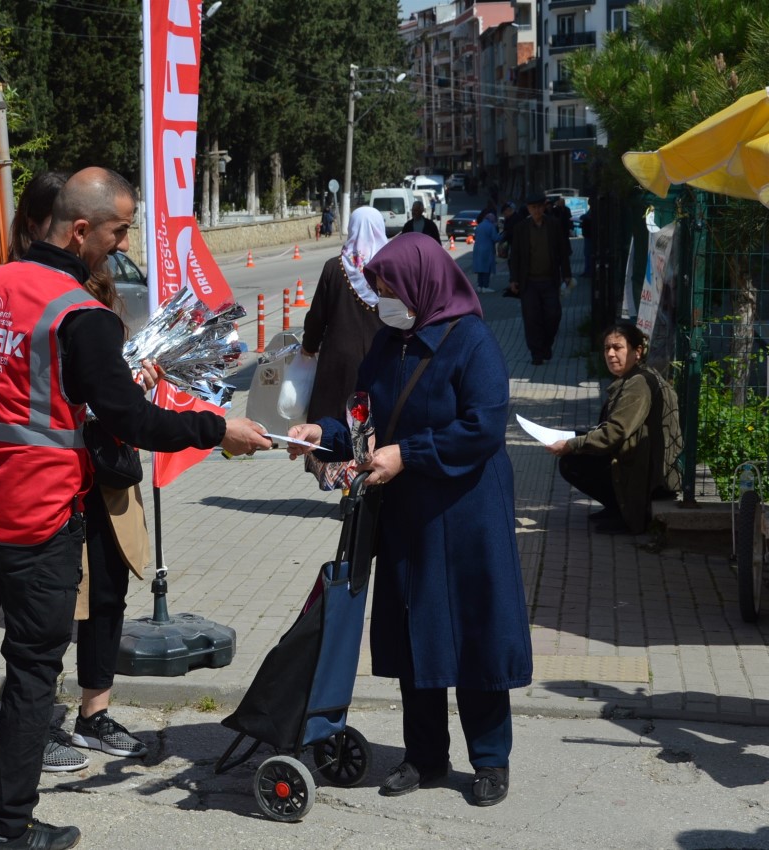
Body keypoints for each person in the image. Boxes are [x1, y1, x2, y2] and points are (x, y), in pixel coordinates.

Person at [0, 167, 271, 849]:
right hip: (36, 521)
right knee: (32, 673)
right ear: (81, 231)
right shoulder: (82, 315)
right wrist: (218, 429)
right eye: (117, 231)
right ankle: (10, 831)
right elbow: (134, 422)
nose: (120, 243)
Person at [288, 232, 532, 808]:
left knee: (475, 632)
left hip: (467, 514)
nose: (382, 301)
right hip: (407, 515)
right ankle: (424, 756)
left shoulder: (471, 340)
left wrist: (409, 454)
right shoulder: (388, 342)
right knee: (416, 630)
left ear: (422, 283)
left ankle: (491, 760)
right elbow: (363, 414)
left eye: (390, 289)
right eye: (377, 291)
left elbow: (484, 426)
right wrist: (321, 433)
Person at [7, 171, 152, 774]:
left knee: (109, 591)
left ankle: (95, 715)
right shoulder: (22, 286)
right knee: (52, 611)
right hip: (53, 475)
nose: (118, 247)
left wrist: (132, 378)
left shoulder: (97, 283)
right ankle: (35, 729)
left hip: (107, 467)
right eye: (114, 233)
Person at [546, 321, 682, 535]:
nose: (610, 354)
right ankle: (616, 506)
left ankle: (625, 512)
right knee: (579, 442)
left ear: (637, 352)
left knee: (571, 461)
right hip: (642, 459)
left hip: (651, 476)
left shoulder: (638, 384)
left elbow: (615, 433)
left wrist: (572, 445)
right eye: (607, 348)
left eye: (617, 348)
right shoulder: (636, 376)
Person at [301, 205, 386, 423]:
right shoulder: (391, 269)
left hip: (339, 361)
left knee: (333, 425)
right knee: (377, 423)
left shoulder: (334, 267)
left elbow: (317, 317)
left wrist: (309, 347)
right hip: (384, 355)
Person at [507, 191, 572, 365]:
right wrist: (513, 279)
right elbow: (516, 256)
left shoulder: (554, 225)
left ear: (544, 207)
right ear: (528, 208)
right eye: (533, 208)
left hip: (550, 280)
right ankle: (536, 353)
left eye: (539, 207)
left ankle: (546, 344)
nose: (536, 211)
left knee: (554, 315)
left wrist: (566, 274)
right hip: (529, 283)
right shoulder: (521, 228)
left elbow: (562, 251)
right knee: (532, 318)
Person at [470, 211, 503, 294]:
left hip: (477, 249)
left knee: (480, 268)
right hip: (487, 250)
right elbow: (495, 238)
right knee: (486, 268)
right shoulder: (491, 226)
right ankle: (485, 286)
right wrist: (503, 236)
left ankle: (479, 286)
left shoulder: (479, 225)